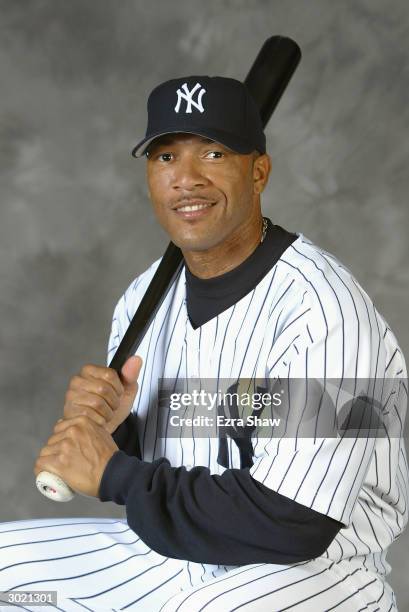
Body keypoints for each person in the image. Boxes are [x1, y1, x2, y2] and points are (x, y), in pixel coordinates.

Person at [1, 75, 407, 612]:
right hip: (173, 556)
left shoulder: (322, 307)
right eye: (166, 157)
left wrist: (113, 473)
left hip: (315, 570)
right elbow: (174, 464)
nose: (185, 180)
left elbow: (296, 521)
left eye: (213, 153)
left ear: (258, 171)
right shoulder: (143, 299)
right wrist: (116, 428)